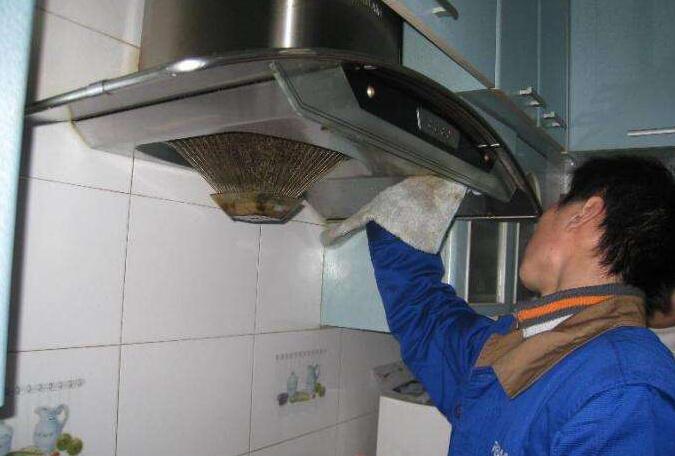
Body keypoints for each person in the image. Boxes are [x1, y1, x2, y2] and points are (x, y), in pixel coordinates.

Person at [365, 156, 675, 455]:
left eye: (560, 202)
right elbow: (422, 310)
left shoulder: (626, 393)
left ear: (586, 213)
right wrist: (408, 207)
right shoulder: (523, 345)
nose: (542, 218)